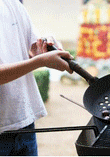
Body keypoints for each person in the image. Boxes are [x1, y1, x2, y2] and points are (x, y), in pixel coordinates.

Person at [0, 0, 73, 155]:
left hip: (25, 123)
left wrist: (43, 48)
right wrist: (39, 62)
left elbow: (32, 49)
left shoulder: (13, 3)